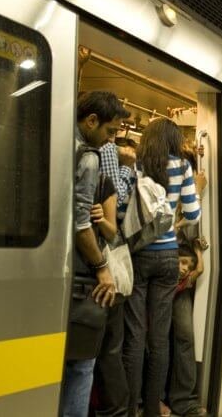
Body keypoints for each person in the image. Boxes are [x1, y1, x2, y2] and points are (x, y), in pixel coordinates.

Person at [123, 118, 201, 417]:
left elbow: (124, 209)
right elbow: (193, 214)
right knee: (159, 338)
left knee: (135, 336)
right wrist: (171, 224)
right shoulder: (183, 166)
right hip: (168, 256)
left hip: (139, 255)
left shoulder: (137, 164)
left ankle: (131, 408)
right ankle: (154, 410)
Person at [61, 91, 128, 417]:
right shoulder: (88, 158)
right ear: (91, 121)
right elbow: (80, 224)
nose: (110, 140)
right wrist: (102, 267)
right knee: (82, 363)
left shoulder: (58, 144)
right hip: (80, 274)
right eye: (110, 131)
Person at [163, 144, 209, 417]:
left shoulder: (185, 190)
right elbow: (169, 226)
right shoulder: (164, 187)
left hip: (180, 273)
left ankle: (183, 399)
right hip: (162, 267)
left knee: (183, 336)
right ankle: (152, 399)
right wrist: (198, 195)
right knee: (155, 339)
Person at [92, 138, 135, 417]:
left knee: (107, 350)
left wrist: (98, 218)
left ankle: (116, 410)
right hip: (94, 274)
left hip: (103, 273)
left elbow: (112, 231)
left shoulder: (104, 179)